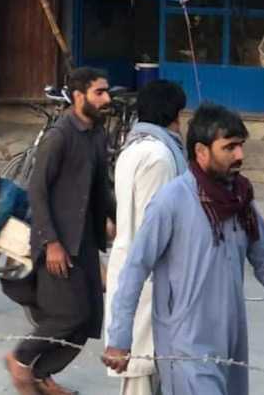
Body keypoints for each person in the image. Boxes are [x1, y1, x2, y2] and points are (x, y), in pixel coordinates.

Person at [102, 104, 264, 395]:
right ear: (201, 151)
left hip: (231, 342)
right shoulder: (172, 201)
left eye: (241, 145)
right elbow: (135, 268)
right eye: (229, 147)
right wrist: (120, 338)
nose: (239, 155)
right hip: (185, 344)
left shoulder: (241, 201)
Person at [4, 67, 115, 395]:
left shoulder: (97, 133)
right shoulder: (59, 136)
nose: (107, 99)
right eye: (99, 92)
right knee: (68, 316)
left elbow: (101, 186)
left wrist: (118, 219)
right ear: (79, 96)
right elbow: (37, 191)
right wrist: (52, 243)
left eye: (106, 91)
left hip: (85, 241)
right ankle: (20, 357)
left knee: (88, 319)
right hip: (57, 243)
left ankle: (42, 375)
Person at [104, 80, 187, 395]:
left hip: (133, 263)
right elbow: (154, 226)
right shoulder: (159, 156)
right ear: (174, 114)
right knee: (142, 371)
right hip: (147, 272)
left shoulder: (135, 145)